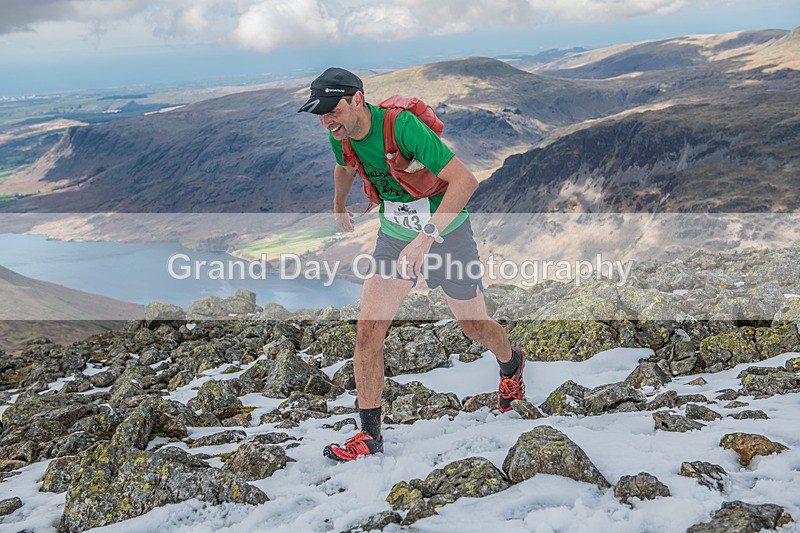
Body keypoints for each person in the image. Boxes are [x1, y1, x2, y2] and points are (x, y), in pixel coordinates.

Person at [298, 67, 525, 462]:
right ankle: (369, 436)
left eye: (331, 110)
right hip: (395, 236)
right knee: (368, 332)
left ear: (356, 100)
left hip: (447, 232)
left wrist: (427, 237)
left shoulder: (401, 127)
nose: (326, 121)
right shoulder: (341, 134)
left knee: (472, 326)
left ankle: (512, 363)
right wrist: (338, 205)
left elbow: (465, 181)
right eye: (319, 115)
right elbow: (345, 166)